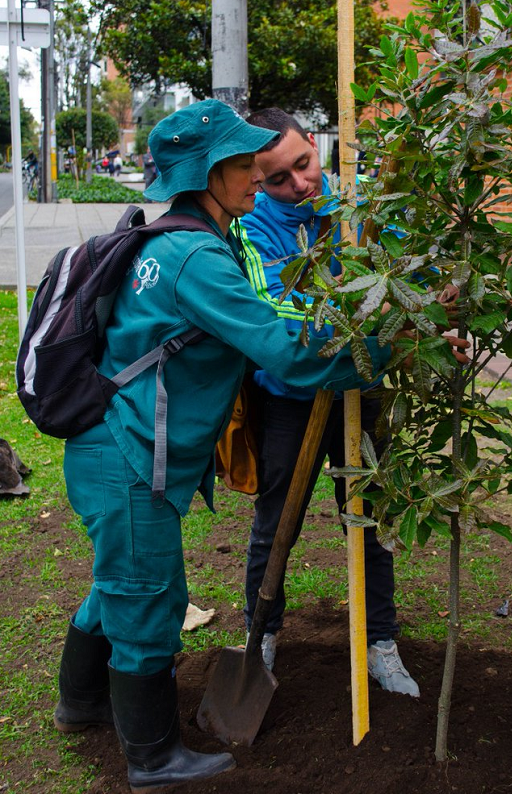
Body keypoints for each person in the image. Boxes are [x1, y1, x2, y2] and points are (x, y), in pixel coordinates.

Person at [53, 100, 396, 793]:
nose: (257, 175)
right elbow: (284, 349)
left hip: (115, 447)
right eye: (244, 164)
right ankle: (153, 757)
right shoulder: (195, 258)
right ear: (208, 175)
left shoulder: (190, 240)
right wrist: (387, 345)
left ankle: (81, 702)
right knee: (148, 595)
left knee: (120, 581)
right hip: (123, 452)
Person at [239, 108, 466, 697]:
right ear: (258, 181)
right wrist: (392, 326)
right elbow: (282, 320)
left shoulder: (362, 201)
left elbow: (414, 273)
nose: (300, 184)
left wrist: (431, 306)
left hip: (362, 390)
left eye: (304, 164)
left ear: (315, 146)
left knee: (370, 517)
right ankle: (260, 638)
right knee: (276, 522)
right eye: (279, 179)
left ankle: (380, 641)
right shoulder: (253, 227)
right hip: (290, 399)